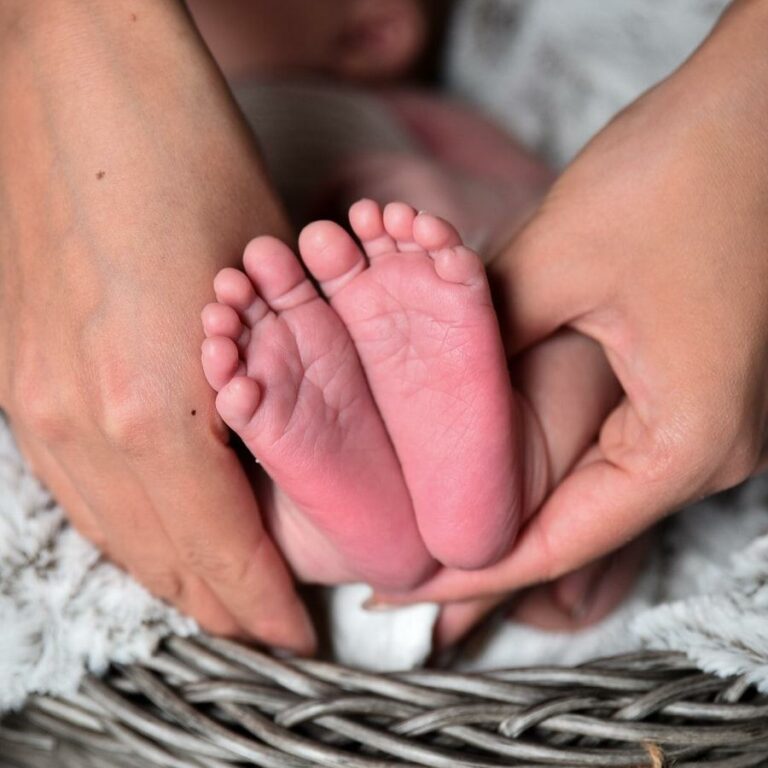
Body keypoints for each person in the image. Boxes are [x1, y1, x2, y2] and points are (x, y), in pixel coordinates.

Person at [2, 0, 766, 653]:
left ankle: (459, 475)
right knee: (225, 426)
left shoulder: (418, 115)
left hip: (445, 336)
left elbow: (555, 212)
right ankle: (383, 501)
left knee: (571, 329)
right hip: (348, 351)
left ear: (372, 30)